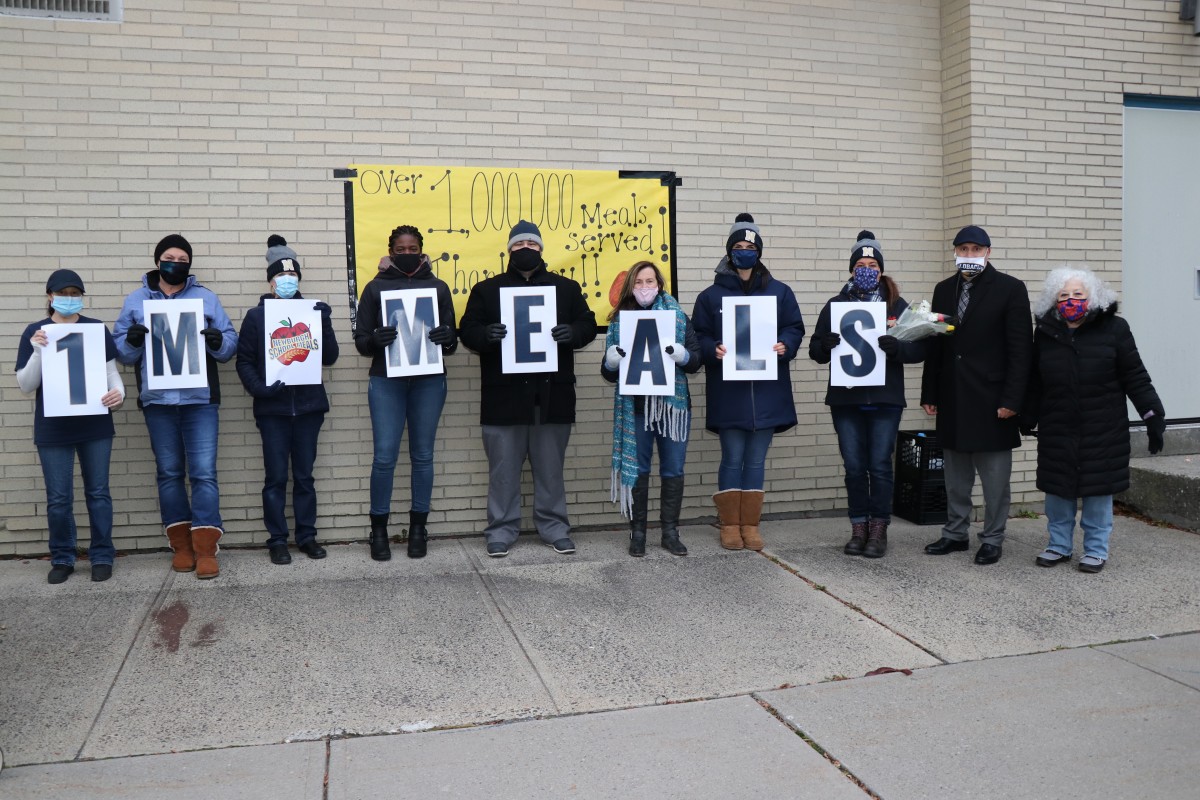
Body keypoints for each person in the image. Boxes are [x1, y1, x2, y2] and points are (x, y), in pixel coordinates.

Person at [459, 219, 598, 558]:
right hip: (504, 397)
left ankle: (554, 527)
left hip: (551, 398)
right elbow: (467, 330)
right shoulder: (486, 290)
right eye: (519, 245)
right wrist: (485, 336)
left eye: (532, 245)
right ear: (509, 251)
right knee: (503, 471)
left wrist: (573, 333)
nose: (525, 250)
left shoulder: (565, 288)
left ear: (541, 249)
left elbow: (588, 324)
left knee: (551, 470)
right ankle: (501, 531)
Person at [1021, 266, 1165, 573]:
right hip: (1058, 425)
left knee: (1098, 491)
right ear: (1053, 300)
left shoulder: (1115, 329)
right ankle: (1058, 545)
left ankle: (1096, 550)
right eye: (1064, 295)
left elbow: (1135, 376)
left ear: (1093, 297)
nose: (1071, 300)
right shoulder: (1046, 333)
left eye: (1078, 294)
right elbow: (1036, 380)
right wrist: (1026, 415)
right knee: (1058, 489)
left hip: (1103, 427)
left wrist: (1152, 414)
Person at [113, 234, 238, 579]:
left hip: (199, 401)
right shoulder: (136, 300)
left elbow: (229, 345)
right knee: (169, 472)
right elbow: (120, 351)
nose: (175, 262)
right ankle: (181, 546)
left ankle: (205, 549)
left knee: (203, 473)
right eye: (169, 257)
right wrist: (132, 341)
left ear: (189, 264)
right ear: (157, 261)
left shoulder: (206, 298)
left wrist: (217, 343)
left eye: (182, 258)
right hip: (158, 402)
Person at [692, 213, 805, 551]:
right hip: (730, 393)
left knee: (755, 462)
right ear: (729, 252)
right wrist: (715, 349)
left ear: (759, 252)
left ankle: (750, 526)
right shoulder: (710, 296)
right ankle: (729, 525)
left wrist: (786, 344)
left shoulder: (779, 292)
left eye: (750, 247)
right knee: (731, 458)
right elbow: (698, 335)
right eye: (738, 247)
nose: (744, 251)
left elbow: (794, 327)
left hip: (768, 394)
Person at [920, 225, 1032, 565]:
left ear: (988, 252)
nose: (969, 255)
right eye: (963, 249)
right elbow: (935, 343)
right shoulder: (943, 289)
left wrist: (1013, 400)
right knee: (956, 478)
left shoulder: (1010, 289)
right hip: (953, 397)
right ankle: (955, 534)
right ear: (955, 253)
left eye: (975, 249)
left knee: (995, 479)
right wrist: (930, 391)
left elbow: (1020, 350)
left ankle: (993, 538)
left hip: (993, 400)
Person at [809, 231, 925, 558]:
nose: (866, 268)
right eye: (860, 264)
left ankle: (879, 529)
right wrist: (826, 344)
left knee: (880, 465)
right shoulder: (836, 305)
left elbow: (919, 348)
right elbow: (815, 350)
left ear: (881, 269)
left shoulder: (896, 305)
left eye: (872, 264)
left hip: (885, 399)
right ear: (851, 270)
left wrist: (898, 347)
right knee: (855, 466)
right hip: (846, 401)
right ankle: (858, 526)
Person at [353, 224, 457, 560]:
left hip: (428, 381)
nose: (407, 254)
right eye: (401, 249)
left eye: (413, 249)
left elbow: (451, 339)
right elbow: (361, 341)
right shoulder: (374, 288)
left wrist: (447, 339)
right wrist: (374, 341)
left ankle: (417, 527)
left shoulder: (437, 287)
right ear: (391, 250)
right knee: (384, 456)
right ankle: (379, 529)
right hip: (387, 381)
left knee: (423, 455)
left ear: (422, 250)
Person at [15, 270, 125, 583]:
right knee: (59, 498)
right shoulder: (36, 331)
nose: (69, 299)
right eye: (62, 293)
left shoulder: (95, 329)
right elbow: (25, 384)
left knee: (99, 493)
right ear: (49, 296)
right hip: (53, 429)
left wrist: (120, 393)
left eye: (75, 293)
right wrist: (37, 351)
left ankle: (102, 555)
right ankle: (63, 556)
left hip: (94, 424)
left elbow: (111, 374)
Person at [236, 236, 340, 565]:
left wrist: (324, 322)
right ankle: (277, 539)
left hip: (309, 408)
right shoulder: (256, 317)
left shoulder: (311, 313)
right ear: (270, 282)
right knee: (276, 476)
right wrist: (260, 389)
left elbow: (330, 357)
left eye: (292, 277)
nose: (286, 282)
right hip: (273, 410)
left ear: (299, 281)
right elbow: (244, 361)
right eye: (280, 278)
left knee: (305, 477)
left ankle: (306, 536)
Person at [601, 260, 701, 557]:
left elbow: (697, 360)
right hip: (636, 409)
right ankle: (639, 533)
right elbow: (607, 374)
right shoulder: (620, 322)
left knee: (673, 469)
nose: (645, 287)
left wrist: (682, 355)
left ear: (659, 285)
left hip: (672, 410)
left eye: (650, 281)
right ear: (631, 286)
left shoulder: (678, 318)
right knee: (639, 469)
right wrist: (611, 361)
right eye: (639, 282)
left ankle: (670, 532)